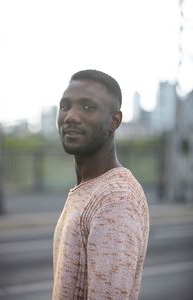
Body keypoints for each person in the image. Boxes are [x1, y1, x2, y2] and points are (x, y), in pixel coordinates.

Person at [53, 69, 149, 300]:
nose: (71, 117)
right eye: (65, 106)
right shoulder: (91, 187)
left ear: (114, 121)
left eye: (88, 107)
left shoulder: (116, 199)